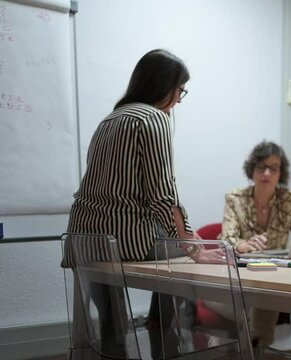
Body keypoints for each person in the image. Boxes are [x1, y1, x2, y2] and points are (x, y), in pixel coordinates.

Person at [61, 49, 225, 357]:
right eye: (180, 90)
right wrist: (193, 245)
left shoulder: (110, 118)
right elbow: (163, 194)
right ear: (164, 85)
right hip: (124, 242)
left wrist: (187, 237)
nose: (178, 99)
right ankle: (163, 335)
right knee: (189, 261)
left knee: (111, 321)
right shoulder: (154, 118)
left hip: (83, 240)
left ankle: (123, 344)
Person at [219, 140, 291, 347]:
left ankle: (256, 345)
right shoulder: (235, 198)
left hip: (275, 274)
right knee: (262, 298)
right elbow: (226, 238)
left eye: (273, 168)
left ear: (280, 173)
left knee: (267, 292)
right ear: (252, 170)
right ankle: (258, 345)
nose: (266, 174)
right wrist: (242, 245)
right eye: (261, 167)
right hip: (241, 274)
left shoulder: (289, 200)